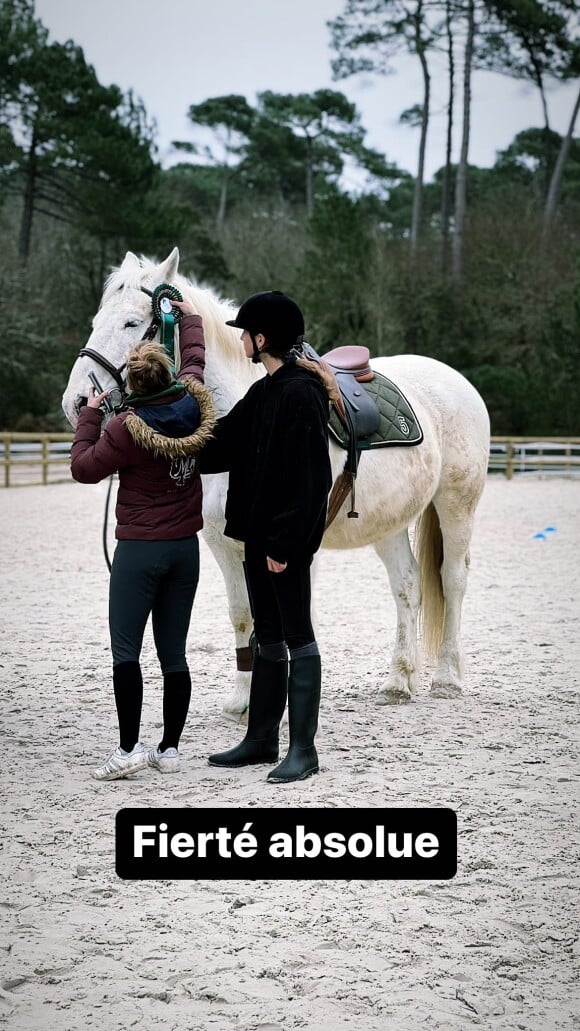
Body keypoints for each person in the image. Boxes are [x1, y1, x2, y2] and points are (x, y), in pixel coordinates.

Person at [70, 300, 215, 781]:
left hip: (138, 551)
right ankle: (170, 749)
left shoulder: (123, 429)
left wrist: (91, 417)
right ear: (167, 374)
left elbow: (84, 468)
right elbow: (196, 361)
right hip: (184, 549)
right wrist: (189, 318)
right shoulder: (194, 406)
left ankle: (128, 748)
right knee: (174, 653)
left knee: (126, 652)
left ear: (131, 382)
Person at [198, 291, 333, 784]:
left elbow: (313, 482)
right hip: (256, 539)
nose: (239, 340)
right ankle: (261, 739)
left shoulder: (301, 393)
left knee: (298, 636)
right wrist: (163, 445)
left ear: (262, 338)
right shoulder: (264, 390)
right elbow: (222, 443)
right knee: (267, 635)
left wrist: (286, 545)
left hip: (283, 545)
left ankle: (303, 750)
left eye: (245, 332)